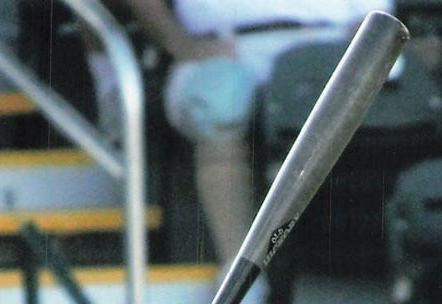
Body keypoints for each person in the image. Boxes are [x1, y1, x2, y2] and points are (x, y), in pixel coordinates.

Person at [96, 3, 387, 271]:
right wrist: (180, 43)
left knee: (385, 106)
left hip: (331, 46)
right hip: (225, 48)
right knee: (218, 106)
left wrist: (373, 36)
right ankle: (238, 274)